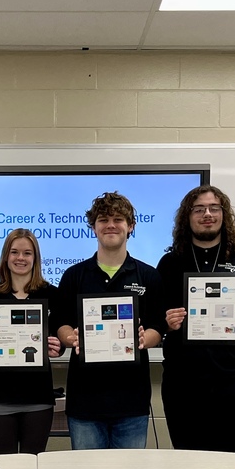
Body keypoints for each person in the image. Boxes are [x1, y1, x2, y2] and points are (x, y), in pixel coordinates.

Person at [158, 185, 235, 453]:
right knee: (186, 459)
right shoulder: (170, 263)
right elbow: (155, 320)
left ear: (223, 214)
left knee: (231, 462)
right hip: (183, 384)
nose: (207, 214)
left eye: (214, 208)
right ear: (187, 216)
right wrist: (166, 323)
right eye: (199, 209)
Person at [54, 192, 164, 449]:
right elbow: (60, 322)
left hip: (132, 400)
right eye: (103, 219)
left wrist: (143, 339)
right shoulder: (74, 275)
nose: (111, 225)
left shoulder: (148, 276)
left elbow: (158, 326)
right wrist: (71, 337)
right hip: (85, 400)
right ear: (93, 226)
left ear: (131, 226)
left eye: (118, 219)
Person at [0, 229, 62, 454]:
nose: (20, 258)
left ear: (35, 258)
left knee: (33, 466)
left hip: (38, 397)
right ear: (6, 256)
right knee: (6, 467)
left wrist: (57, 347)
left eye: (27, 253)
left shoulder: (52, 295)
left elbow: (59, 339)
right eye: (14, 252)